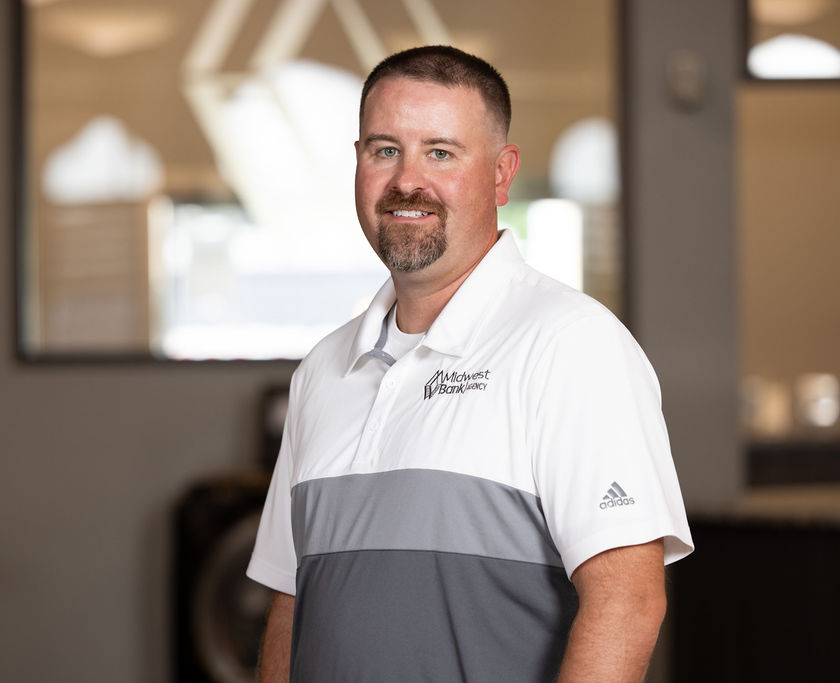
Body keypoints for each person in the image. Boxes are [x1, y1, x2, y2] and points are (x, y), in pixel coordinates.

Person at [246, 45, 693, 682]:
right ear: (357, 165)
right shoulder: (321, 372)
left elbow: (627, 600)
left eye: (441, 152)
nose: (407, 180)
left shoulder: (572, 345)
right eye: (384, 150)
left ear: (501, 175)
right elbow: (292, 602)